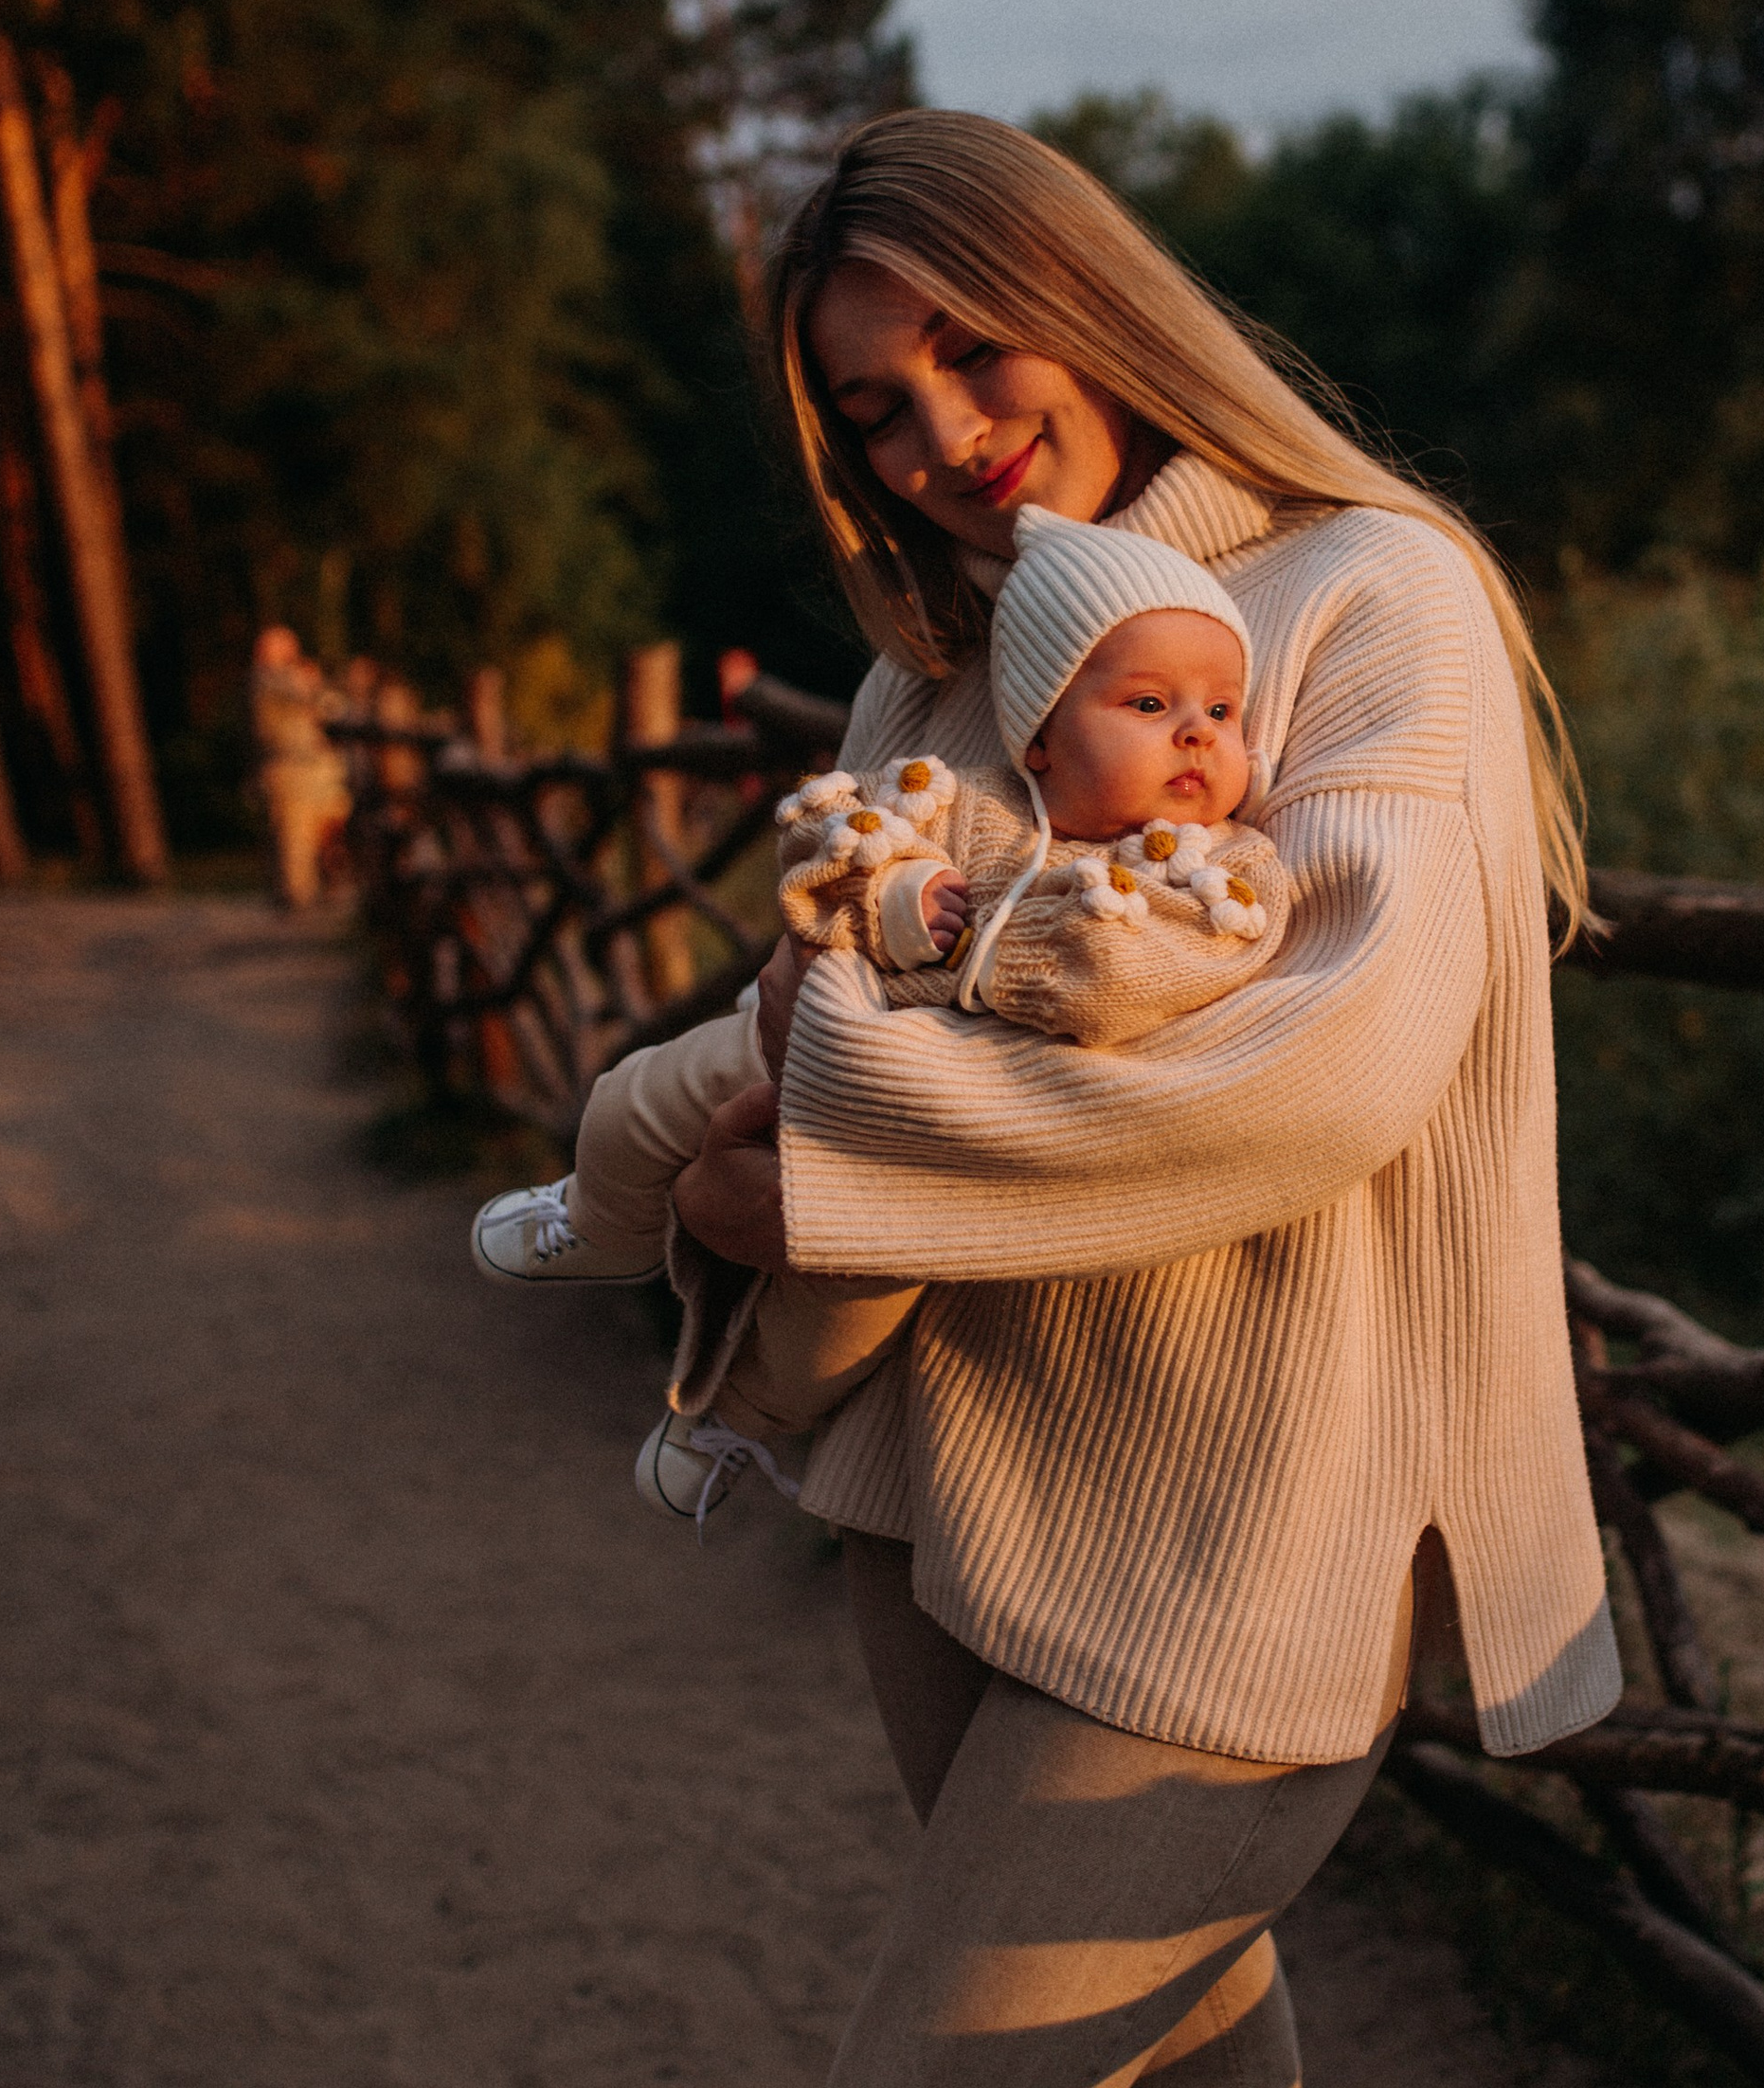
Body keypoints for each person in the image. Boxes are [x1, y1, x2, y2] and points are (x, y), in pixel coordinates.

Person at [630, 113, 1613, 2088]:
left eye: (971, 343)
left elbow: (1315, 1073)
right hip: (971, 1523)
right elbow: (845, 1008)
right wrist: (684, 1147)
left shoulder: (1362, 596)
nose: (938, 427)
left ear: (1089, 288)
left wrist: (809, 1166)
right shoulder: (938, 678)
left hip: (1254, 1558)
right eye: (871, 405)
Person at [470, 510, 1293, 1517]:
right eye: (1153, 703)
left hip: (936, 1139)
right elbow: (825, 837)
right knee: (642, 1093)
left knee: (845, 1307)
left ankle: (736, 1421)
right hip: (809, 1040)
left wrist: (1007, 953)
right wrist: (899, 900)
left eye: (1223, 710)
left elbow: (1139, 978)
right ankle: (605, 1219)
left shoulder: (1224, 873)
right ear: (1038, 733)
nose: (1200, 735)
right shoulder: (960, 803)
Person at [248, 625, 351, 910]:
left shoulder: (291, 678)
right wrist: (309, 682)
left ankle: (321, 894)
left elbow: (333, 709)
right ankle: (296, 901)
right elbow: (310, 699)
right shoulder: (266, 679)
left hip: (317, 773)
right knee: (293, 839)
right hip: (288, 772)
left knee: (326, 837)